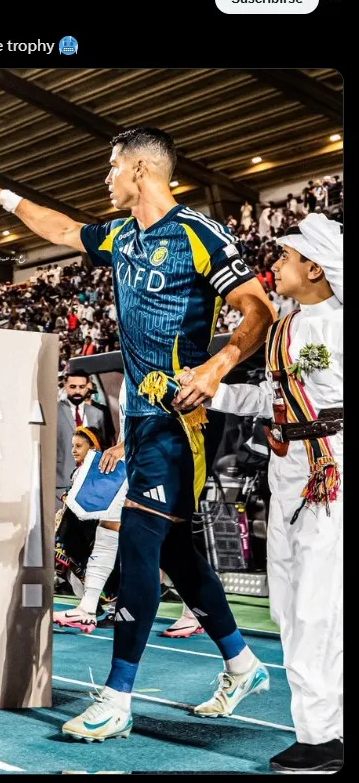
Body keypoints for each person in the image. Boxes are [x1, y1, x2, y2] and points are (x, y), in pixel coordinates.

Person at [0, 125, 276, 742]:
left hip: (181, 424)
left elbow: (256, 308)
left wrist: (213, 369)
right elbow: (59, 229)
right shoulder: (119, 235)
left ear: (138, 169)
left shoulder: (197, 233)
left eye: (109, 167)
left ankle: (119, 696)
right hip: (142, 421)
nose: (103, 179)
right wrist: (1, 197)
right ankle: (241, 663)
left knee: (136, 540)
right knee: (178, 553)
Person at [202, 213, 343, 773]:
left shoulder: (339, 324)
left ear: (314, 266)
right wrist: (209, 391)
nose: (275, 265)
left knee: (315, 607)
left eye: (284, 257)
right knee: (288, 607)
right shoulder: (284, 329)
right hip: (286, 474)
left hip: (330, 473)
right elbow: (271, 402)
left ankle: (322, 738)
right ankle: (321, 727)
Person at [54, 381, 126, 633]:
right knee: (109, 532)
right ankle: (90, 607)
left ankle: (195, 614)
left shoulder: (157, 377)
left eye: (79, 446)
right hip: (129, 464)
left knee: (173, 553)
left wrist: (125, 447)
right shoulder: (132, 383)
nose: (74, 450)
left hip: (153, 467)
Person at [56, 370, 105, 511]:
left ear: (88, 387)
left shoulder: (97, 414)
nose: (77, 391)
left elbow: (102, 446)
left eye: (81, 387)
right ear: (65, 385)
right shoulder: (54, 411)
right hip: (60, 485)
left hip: (89, 484)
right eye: (73, 387)